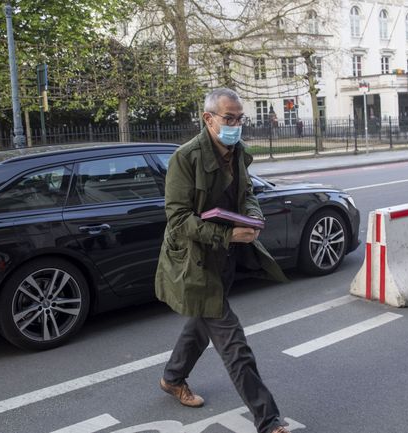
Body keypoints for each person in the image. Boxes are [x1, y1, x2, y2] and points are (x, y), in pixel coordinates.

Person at [154, 88, 291, 433]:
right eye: (228, 118)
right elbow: (178, 218)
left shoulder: (238, 152)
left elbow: (247, 196)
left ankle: (173, 378)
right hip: (196, 261)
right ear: (208, 118)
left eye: (240, 118)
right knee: (234, 346)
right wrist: (227, 234)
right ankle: (269, 420)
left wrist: (252, 218)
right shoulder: (186, 158)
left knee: (200, 324)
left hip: (225, 257)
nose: (236, 125)